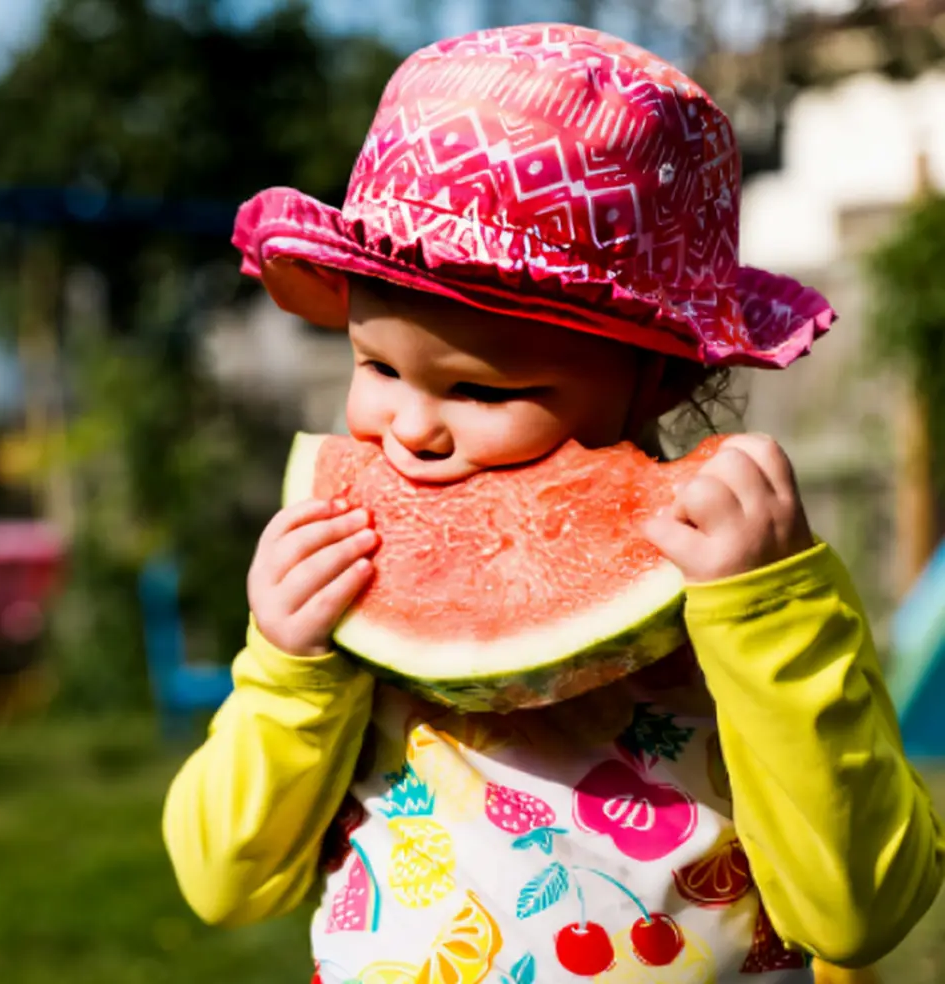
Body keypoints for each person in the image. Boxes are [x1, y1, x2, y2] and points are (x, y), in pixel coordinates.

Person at [163, 24, 943, 983]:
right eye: (376, 367)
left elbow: (862, 913)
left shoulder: (759, 593)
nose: (412, 430)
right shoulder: (341, 605)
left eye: (483, 391)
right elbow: (222, 881)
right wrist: (289, 671)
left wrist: (773, 619)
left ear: (656, 378)